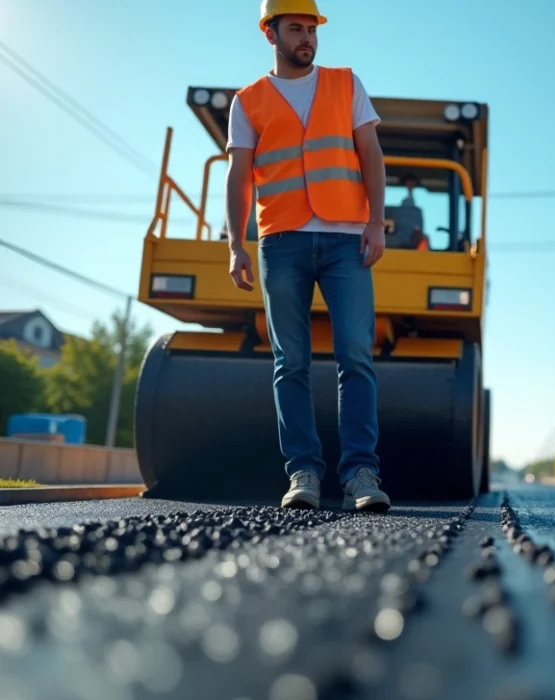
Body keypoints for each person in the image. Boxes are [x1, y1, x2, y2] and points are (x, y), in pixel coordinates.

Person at [224, 0, 391, 512]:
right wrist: (236, 243)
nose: (307, 38)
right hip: (282, 242)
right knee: (289, 363)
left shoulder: (346, 84)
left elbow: (370, 155)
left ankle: (361, 474)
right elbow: (238, 176)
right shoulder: (247, 101)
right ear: (269, 33)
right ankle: (303, 475)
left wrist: (375, 221)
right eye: (295, 28)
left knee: (355, 358)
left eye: (311, 29)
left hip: (346, 241)